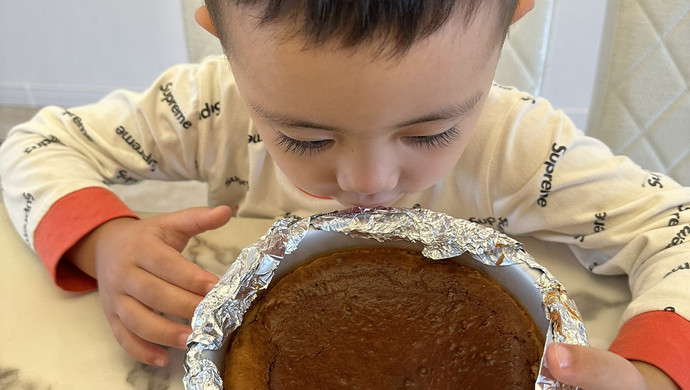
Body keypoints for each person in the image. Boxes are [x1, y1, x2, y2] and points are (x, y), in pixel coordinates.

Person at [0, 0, 688, 388]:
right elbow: (34, 147)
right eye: (303, 138)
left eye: (429, 133)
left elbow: (676, 227)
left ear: (515, 13)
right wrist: (103, 239)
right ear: (216, 24)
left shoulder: (521, 147)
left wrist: (650, 376)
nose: (367, 181)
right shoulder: (210, 108)